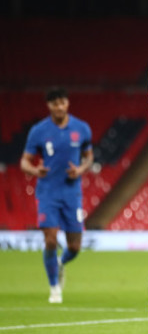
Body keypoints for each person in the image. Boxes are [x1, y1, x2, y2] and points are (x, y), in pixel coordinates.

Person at [21, 87, 93, 304]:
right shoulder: (39, 131)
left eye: (62, 102)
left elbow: (89, 157)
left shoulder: (81, 128)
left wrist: (80, 170)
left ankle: (60, 264)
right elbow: (24, 161)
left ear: (67, 103)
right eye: (55, 103)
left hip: (73, 193)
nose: (59, 107)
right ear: (49, 106)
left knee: (75, 247)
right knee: (50, 240)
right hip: (48, 193)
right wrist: (34, 171)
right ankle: (54, 288)